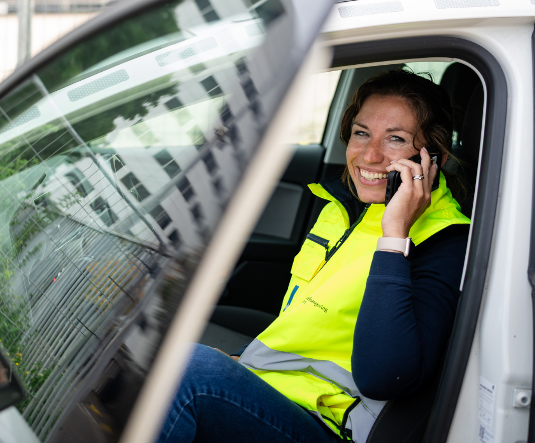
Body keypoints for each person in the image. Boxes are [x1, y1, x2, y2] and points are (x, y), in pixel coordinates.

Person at [158, 69, 472, 443]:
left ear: (430, 157)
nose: (370, 155)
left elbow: (385, 376)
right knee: (161, 353)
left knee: (187, 370)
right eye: (361, 133)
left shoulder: (445, 240)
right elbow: (302, 324)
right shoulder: (343, 209)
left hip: (330, 424)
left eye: (396, 139)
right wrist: (241, 361)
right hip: (276, 388)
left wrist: (394, 236)